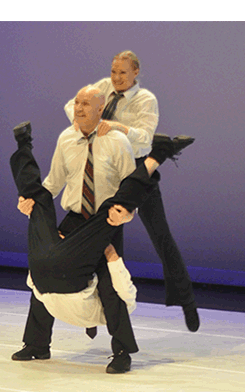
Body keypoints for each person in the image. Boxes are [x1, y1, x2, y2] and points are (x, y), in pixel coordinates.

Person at [11, 80, 198, 369]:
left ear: (101, 110)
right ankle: (36, 344)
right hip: (74, 219)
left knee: (111, 286)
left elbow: (128, 186)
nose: (79, 108)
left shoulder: (117, 141)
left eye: (86, 104)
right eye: (77, 103)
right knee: (45, 272)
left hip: (106, 220)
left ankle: (122, 352)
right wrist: (32, 204)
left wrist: (127, 214)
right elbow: (53, 182)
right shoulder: (66, 139)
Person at [64, 52, 200, 332]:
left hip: (139, 169)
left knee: (160, 234)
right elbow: (73, 106)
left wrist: (116, 127)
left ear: (136, 72)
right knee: (105, 239)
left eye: (122, 73)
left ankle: (185, 300)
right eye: (114, 71)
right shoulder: (102, 87)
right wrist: (85, 119)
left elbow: (144, 138)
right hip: (106, 169)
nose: (116, 78)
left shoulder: (145, 99)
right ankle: (97, 313)